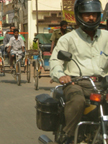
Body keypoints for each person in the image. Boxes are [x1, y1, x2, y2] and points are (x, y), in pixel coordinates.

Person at [50, 0, 106, 143]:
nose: (91, 18)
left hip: (102, 84)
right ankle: (68, 136)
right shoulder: (68, 39)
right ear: (79, 15)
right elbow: (56, 61)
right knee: (77, 100)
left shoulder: (106, 37)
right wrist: (61, 75)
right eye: (87, 14)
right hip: (76, 83)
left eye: (94, 14)